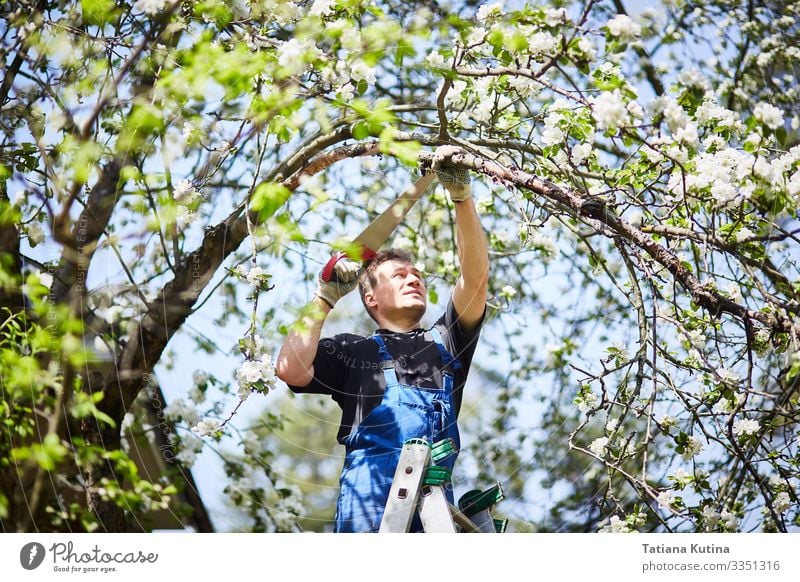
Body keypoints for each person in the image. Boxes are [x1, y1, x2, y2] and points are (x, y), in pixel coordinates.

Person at [276, 147, 489, 532]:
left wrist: (462, 198)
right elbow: (290, 368)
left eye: (417, 274)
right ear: (370, 297)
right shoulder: (351, 352)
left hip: (435, 514)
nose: (414, 279)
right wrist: (323, 299)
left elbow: (475, 280)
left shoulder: (446, 342)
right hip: (369, 516)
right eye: (400, 276)